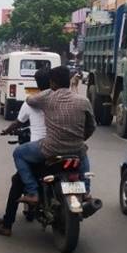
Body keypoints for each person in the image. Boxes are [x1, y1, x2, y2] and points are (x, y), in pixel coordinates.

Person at [13, 66, 95, 205]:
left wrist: (48, 91)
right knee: (83, 152)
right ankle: (86, 191)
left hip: (51, 148)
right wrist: (80, 139)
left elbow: (29, 100)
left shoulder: (48, 98)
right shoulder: (83, 101)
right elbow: (92, 126)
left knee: (18, 153)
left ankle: (33, 192)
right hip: (76, 148)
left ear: (52, 83)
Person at [0, 68, 52, 237]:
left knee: (17, 181)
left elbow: (18, 122)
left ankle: (7, 224)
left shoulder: (31, 101)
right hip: (64, 149)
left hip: (40, 149)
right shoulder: (61, 100)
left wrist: (6, 131)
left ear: (37, 83)